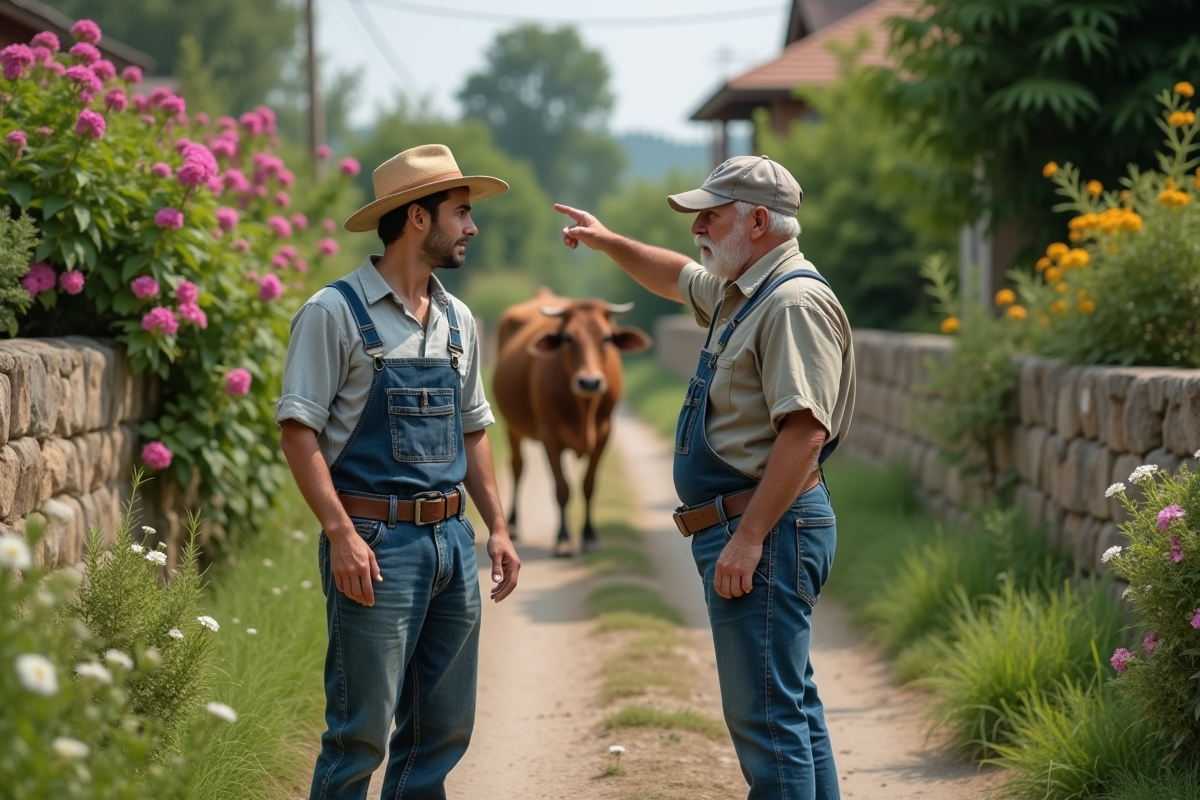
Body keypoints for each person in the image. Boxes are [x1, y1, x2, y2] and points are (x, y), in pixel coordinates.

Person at [555, 155, 855, 800]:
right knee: (789, 710)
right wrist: (607, 241)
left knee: (767, 723)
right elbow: (675, 276)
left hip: (767, 532)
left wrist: (747, 538)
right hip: (761, 528)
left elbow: (805, 432)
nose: (697, 228)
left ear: (757, 221)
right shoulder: (743, 289)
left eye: (709, 216)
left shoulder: (792, 303)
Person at [277, 144, 521, 800]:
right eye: (461, 212)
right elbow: (297, 431)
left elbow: (473, 429)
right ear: (418, 217)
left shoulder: (458, 319)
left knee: (440, 731)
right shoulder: (332, 312)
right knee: (358, 735)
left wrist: (497, 528)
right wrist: (340, 534)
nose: (472, 227)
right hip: (374, 546)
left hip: (452, 543)